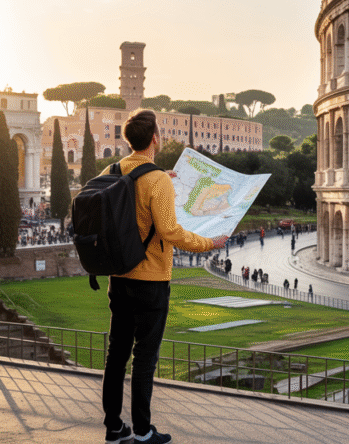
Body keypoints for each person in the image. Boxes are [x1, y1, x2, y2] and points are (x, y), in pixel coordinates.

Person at [101, 109, 229, 444]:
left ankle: (114, 429)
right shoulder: (156, 180)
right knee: (145, 357)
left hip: (119, 276)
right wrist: (210, 243)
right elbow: (170, 231)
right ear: (156, 138)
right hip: (152, 280)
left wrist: (162, 182)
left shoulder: (111, 171)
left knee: (116, 354)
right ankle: (143, 431)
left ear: (129, 139)